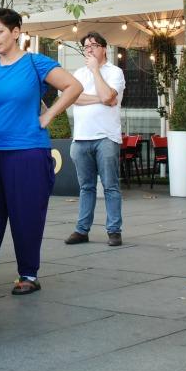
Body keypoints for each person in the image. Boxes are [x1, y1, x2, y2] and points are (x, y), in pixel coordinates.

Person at [0, 8, 82, 295]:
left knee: (26, 214)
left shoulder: (35, 63)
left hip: (26, 151)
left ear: (16, 32)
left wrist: (48, 117)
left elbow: (74, 87)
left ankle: (28, 273)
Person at [64, 32, 126, 247]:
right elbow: (73, 98)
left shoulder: (115, 72)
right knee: (86, 187)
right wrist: (101, 97)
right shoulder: (78, 73)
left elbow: (110, 97)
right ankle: (82, 230)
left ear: (104, 49)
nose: (89, 49)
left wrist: (95, 71)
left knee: (110, 186)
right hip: (81, 137)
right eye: (85, 46)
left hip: (106, 137)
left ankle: (114, 230)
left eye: (93, 45)